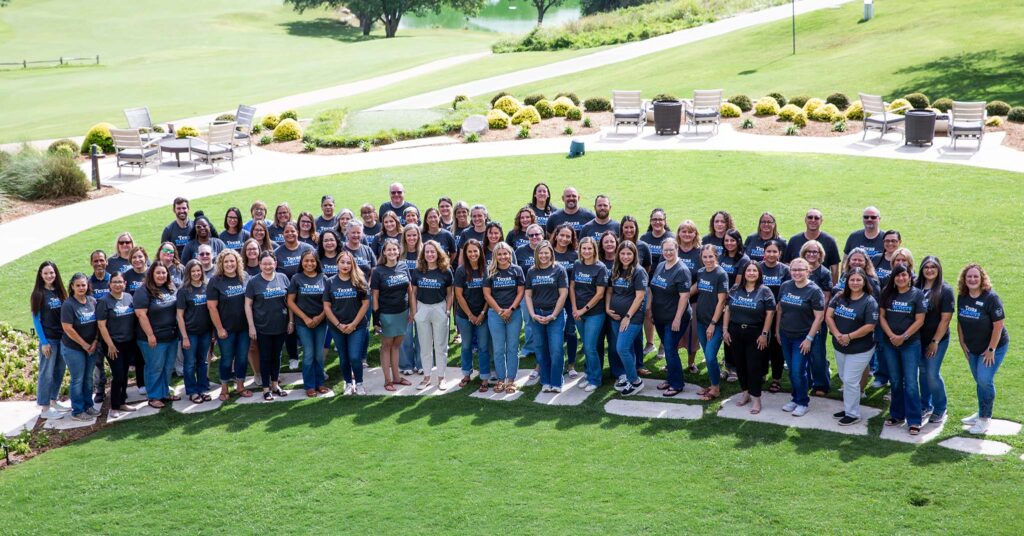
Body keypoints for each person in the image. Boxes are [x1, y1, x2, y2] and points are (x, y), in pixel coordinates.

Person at [956, 263, 1009, 435]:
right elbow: (960, 322)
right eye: (969, 276)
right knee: (980, 380)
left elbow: (999, 325)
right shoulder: (962, 297)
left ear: (982, 279)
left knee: (985, 379)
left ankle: (985, 419)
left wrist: (991, 349)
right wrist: (963, 344)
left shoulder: (991, 298)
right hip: (973, 348)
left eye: (975, 276)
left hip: (994, 347)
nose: (972, 279)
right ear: (964, 279)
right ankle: (980, 412)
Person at [825, 267, 879, 426]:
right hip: (840, 345)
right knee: (844, 378)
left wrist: (849, 337)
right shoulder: (839, 296)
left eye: (858, 280)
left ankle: (853, 414)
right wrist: (837, 335)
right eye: (852, 280)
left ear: (864, 282)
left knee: (850, 380)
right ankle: (849, 408)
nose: (855, 283)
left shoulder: (869, 301)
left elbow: (870, 326)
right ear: (847, 281)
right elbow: (828, 315)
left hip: (860, 349)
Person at [878, 264, 927, 435]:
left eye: (904, 275)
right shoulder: (887, 293)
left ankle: (914, 420)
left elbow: (919, 320)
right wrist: (892, 335)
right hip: (890, 342)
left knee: (911, 382)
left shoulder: (917, 294)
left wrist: (903, 337)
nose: (901, 278)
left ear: (909, 277)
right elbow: (881, 317)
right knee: (896, 380)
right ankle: (897, 414)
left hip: (911, 344)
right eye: (897, 275)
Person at [723, 263, 775, 414]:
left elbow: (770, 313)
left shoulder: (765, 291)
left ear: (759, 273)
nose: (751, 273)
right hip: (735, 331)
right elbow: (727, 309)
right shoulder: (735, 289)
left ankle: (756, 398)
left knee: (754, 367)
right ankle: (745, 392)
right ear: (744, 273)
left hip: (756, 333)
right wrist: (725, 330)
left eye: (754, 270)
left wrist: (764, 334)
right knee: (740, 365)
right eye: (748, 270)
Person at [776, 257, 825, 417]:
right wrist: (777, 331)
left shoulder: (814, 291)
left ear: (808, 271)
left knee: (798, 370)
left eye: (800, 270)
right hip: (785, 334)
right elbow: (780, 310)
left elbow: (819, 317)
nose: (796, 273)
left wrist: (809, 339)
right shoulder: (785, 286)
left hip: (802, 337)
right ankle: (795, 398)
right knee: (791, 369)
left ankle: (803, 402)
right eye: (794, 270)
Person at [245, 251, 292, 401]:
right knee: (265, 357)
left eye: (270, 263)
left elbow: (290, 302)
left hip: (280, 325)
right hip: (262, 327)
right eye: (264, 263)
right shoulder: (253, 282)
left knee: (277, 356)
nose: (267, 266)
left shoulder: (283, 278)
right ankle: (266, 389)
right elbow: (248, 305)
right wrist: (251, 326)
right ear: (259, 265)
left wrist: (291, 321)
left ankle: (275, 385)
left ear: (275, 264)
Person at [206, 250, 252, 401]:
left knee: (242, 358)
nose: (229, 264)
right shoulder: (215, 281)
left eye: (232, 261)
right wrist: (219, 329)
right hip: (226, 329)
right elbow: (212, 307)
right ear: (221, 263)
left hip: (244, 328)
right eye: (226, 262)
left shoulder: (244, 277)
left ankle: (240, 385)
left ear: (237, 262)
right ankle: (224, 388)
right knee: (226, 359)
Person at [324, 251, 371, 395]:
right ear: (337, 263)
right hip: (337, 327)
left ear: (353, 264)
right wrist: (338, 325)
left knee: (355, 357)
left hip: (357, 326)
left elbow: (365, 304)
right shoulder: (330, 281)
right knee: (343, 358)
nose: (345, 265)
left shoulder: (359, 280)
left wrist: (353, 324)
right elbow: (326, 306)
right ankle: (349, 384)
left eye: (348, 262)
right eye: (342, 262)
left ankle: (360, 383)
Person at [524, 240, 569, 392]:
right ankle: (545, 381)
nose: (543, 255)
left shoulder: (559, 270)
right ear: (536, 254)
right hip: (537, 314)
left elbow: (563, 294)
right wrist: (532, 315)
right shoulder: (531, 271)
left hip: (555, 315)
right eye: (540, 253)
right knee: (541, 349)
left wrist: (554, 315)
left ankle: (556, 382)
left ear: (551, 253)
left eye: (546, 252)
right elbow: (528, 295)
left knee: (556, 349)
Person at [650, 238, 692, 398]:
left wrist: (677, 319)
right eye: (665, 250)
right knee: (669, 349)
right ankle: (670, 379)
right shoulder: (661, 265)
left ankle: (677, 384)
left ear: (677, 250)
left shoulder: (681, 270)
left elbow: (684, 297)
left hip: (675, 318)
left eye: (671, 250)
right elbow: (655, 289)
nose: (668, 253)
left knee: (670, 348)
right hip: (660, 316)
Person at [134, 263, 180, 408]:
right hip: (153, 338)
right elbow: (141, 315)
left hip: (171, 336)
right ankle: (154, 396)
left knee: (167, 367)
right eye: (158, 273)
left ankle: (164, 392)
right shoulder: (143, 291)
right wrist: (150, 334)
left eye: (164, 273)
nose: (161, 275)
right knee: (155, 367)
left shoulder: (170, 288)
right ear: (151, 274)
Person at [371, 239, 414, 392]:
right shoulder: (378, 271)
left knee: (397, 346)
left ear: (399, 251)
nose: (392, 252)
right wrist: (376, 319)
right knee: (386, 346)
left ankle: (396, 377)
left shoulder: (404, 265)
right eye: (388, 250)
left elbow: (410, 290)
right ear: (384, 252)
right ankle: (387, 380)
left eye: (394, 249)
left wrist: (412, 311)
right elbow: (374, 296)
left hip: (402, 313)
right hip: (386, 315)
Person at [606, 241, 647, 396]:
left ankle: (635, 381)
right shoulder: (616, 269)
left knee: (622, 348)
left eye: (629, 253)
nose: (625, 256)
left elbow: (640, 296)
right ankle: (628, 377)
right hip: (615, 316)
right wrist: (608, 309)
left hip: (632, 317)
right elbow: (610, 291)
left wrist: (627, 316)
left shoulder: (639, 271)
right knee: (625, 348)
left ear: (634, 255)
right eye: (622, 253)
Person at [483, 242, 525, 394]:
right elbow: (487, 294)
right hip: (495, 314)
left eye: (505, 253)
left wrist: (511, 309)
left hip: (514, 313)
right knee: (499, 348)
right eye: (499, 254)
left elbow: (521, 292)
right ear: (495, 256)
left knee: (513, 348)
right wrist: (500, 311)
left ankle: (512, 380)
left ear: (510, 254)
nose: (502, 257)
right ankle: (501, 379)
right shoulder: (490, 271)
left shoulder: (517, 270)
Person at [915, 256, 953, 424]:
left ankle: (940, 408)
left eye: (933, 267)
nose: (929, 270)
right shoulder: (916, 286)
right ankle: (925, 405)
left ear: (939, 269)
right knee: (922, 371)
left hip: (937, 339)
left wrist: (935, 341)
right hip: (917, 339)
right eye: (926, 267)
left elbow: (945, 319)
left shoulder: (945, 290)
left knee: (931, 372)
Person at [411, 240, 454, 389]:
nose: (430, 254)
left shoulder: (446, 271)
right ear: (423, 254)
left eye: (432, 252)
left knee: (441, 346)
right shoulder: (417, 271)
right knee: (425, 346)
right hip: (422, 308)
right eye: (427, 252)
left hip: (439, 308)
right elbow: (413, 292)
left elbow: (450, 293)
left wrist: (447, 311)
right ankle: (426, 377)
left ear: (438, 253)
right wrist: (414, 311)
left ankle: (441, 377)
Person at [97, 271, 139, 417]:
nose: (117, 285)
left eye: (120, 282)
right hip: (113, 345)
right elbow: (101, 326)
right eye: (114, 282)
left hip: (128, 342)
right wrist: (110, 345)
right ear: (109, 284)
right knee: (118, 374)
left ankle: (122, 402)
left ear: (125, 284)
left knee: (125, 373)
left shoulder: (128, 297)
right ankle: (114, 407)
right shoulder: (104, 301)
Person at [31, 261, 69, 419]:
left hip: (62, 338)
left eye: (52, 273)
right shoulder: (38, 294)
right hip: (49, 340)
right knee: (46, 372)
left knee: (60, 369)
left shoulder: (60, 291)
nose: (49, 276)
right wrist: (44, 342)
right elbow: (36, 319)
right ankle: (45, 408)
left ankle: (53, 400)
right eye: (46, 273)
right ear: (41, 275)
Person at [287, 250, 328, 397]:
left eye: (312, 261)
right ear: (301, 262)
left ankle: (320, 383)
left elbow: (328, 302)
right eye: (306, 261)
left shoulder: (324, 278)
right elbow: (290, 301)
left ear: (317, 262)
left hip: (321, 322)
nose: (309, 263)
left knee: (318, 354)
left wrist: (319, 317)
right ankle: (309, 385)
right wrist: (305, 318)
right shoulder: (296, 278)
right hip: (303, 323)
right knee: (309, 353)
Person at [570, 237, 608, 392]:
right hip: (577, 312)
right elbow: (572, 287)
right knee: (586, 345)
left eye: (589, 249)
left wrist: (582, 310)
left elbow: (599, 294)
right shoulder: (577, 264)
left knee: (591, 347)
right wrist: (574, 308)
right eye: (583, 248)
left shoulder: (600, 268)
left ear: (595, 250)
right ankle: (588, 373)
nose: (586, 251)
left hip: (594, 313)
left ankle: (595, 379)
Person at [60, 273, 100, 421]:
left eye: (83, 285)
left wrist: (95, 341)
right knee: (78, 378)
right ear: (72, 287)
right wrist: (84, 344)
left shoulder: (92, 301)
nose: (81, 288)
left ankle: (88, 406)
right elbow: (68, 328)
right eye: (78, 285)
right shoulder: (68, 304)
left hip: (91, 346)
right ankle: (77, 410)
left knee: (88, 378)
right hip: (73, 348)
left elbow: (98, 324)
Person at [691, 244, 728, 401]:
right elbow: (697, 291)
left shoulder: (721, 274)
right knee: (707, 354)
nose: (708, 260)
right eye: (705, 257)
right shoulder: (700, 272)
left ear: (716, 257)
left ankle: (716, 389)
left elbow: (721, 302)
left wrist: (713, 323)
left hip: (715, 323)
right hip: (701, 320)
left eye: (710, 257)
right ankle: (713, 384)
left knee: (711, 356)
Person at [454, 239, 492, 391]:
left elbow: (489, 294)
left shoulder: (486, 270)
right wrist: (470, 315)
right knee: (466, 345)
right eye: (469, 251)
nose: (472, 254)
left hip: (483, 314)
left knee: (483, 347)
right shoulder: (461, 270)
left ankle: (484, 377)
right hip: (464, 316)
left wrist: (482, 313)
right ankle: (466, 374)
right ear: (466, 253)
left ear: (480, 252)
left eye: (475, 251)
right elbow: (459, 295)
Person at [176, 260, 213, 404]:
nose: (196, 274)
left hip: (205, 332)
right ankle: (192, 391)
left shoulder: (207, 287)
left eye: (199, 271)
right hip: (190, 333)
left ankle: (202, 388)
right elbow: (179, 315)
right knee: (190, 363)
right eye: (193, 271)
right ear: (188, 273)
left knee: (203, 362)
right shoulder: (184, 290)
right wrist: (184, 337)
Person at [800, 240, 833, 395]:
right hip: (800, 318)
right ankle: (805, 381)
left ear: (820, 254)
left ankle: (821, 384)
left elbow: (826, 297)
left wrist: (819, 319)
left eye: (815, 252)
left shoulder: (824, 273)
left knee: (817, 353)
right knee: (802, 352)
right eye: (809, 252)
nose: (812, 255)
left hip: (817, 319)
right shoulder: (799, 269)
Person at [758, 240, 789, 393]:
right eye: (768, 251)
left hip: (778, 315)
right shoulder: (757, 267)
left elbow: (788, 291)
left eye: (774, 251)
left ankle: (776, 378)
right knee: (760, 345)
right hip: (759, 314)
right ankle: (762, 373)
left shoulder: (785, 270)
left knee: (777, 347)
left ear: (779, 253)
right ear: (764, 253)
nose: (771, 254)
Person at [551, 224, 579, 376]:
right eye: (562, 235)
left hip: (569, 300)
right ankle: (555, 363)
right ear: (556, 235)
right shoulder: (548, 253)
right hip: (551, 299)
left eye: (568, 236)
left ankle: (571, 364)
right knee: (554, 332)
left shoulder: (575, 255)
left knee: (571, 330)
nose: (564, 239)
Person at [675, 220, 703, 373]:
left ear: (695, 234)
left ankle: (691, 363)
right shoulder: (673, 250)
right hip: (672, 301)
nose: (686, 234)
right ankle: (672, 361)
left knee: (693, 334)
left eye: (690, 231)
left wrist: (685, 295)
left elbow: (702, 279)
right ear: (678, 233)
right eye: (683, 231)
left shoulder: (699, 253)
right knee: (673, 333)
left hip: (693, 301)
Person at [784, 209, 841, 282]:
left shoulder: (829, 241)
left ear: (821, 221)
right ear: (805, 220)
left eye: (816, 218)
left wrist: (833, 288)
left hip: (822, 286)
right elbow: (787, 264)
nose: (813, 220)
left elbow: (835, 268)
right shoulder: (794, 240)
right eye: (810, 217)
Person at [399, 224, 424, 374]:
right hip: (403, 299)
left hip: (422, 299)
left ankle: (421, 364)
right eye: (408, 235)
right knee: (406, 334)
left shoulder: (424, 253)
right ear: (404, 237)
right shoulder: (399, 254)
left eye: (414, 235)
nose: (412, 238)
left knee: (422, 333)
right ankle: (406, 365)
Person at [88, 251, 111, 403]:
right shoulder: (88, 283)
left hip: (114, 328)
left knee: (117, 361)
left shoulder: (113, 279)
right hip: (95, 331)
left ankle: (119, 388)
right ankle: (100, 390)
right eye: (95, 261)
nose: (99, 264)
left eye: (101, 260)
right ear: (91, 263)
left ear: (106, 262)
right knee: (98, 364)